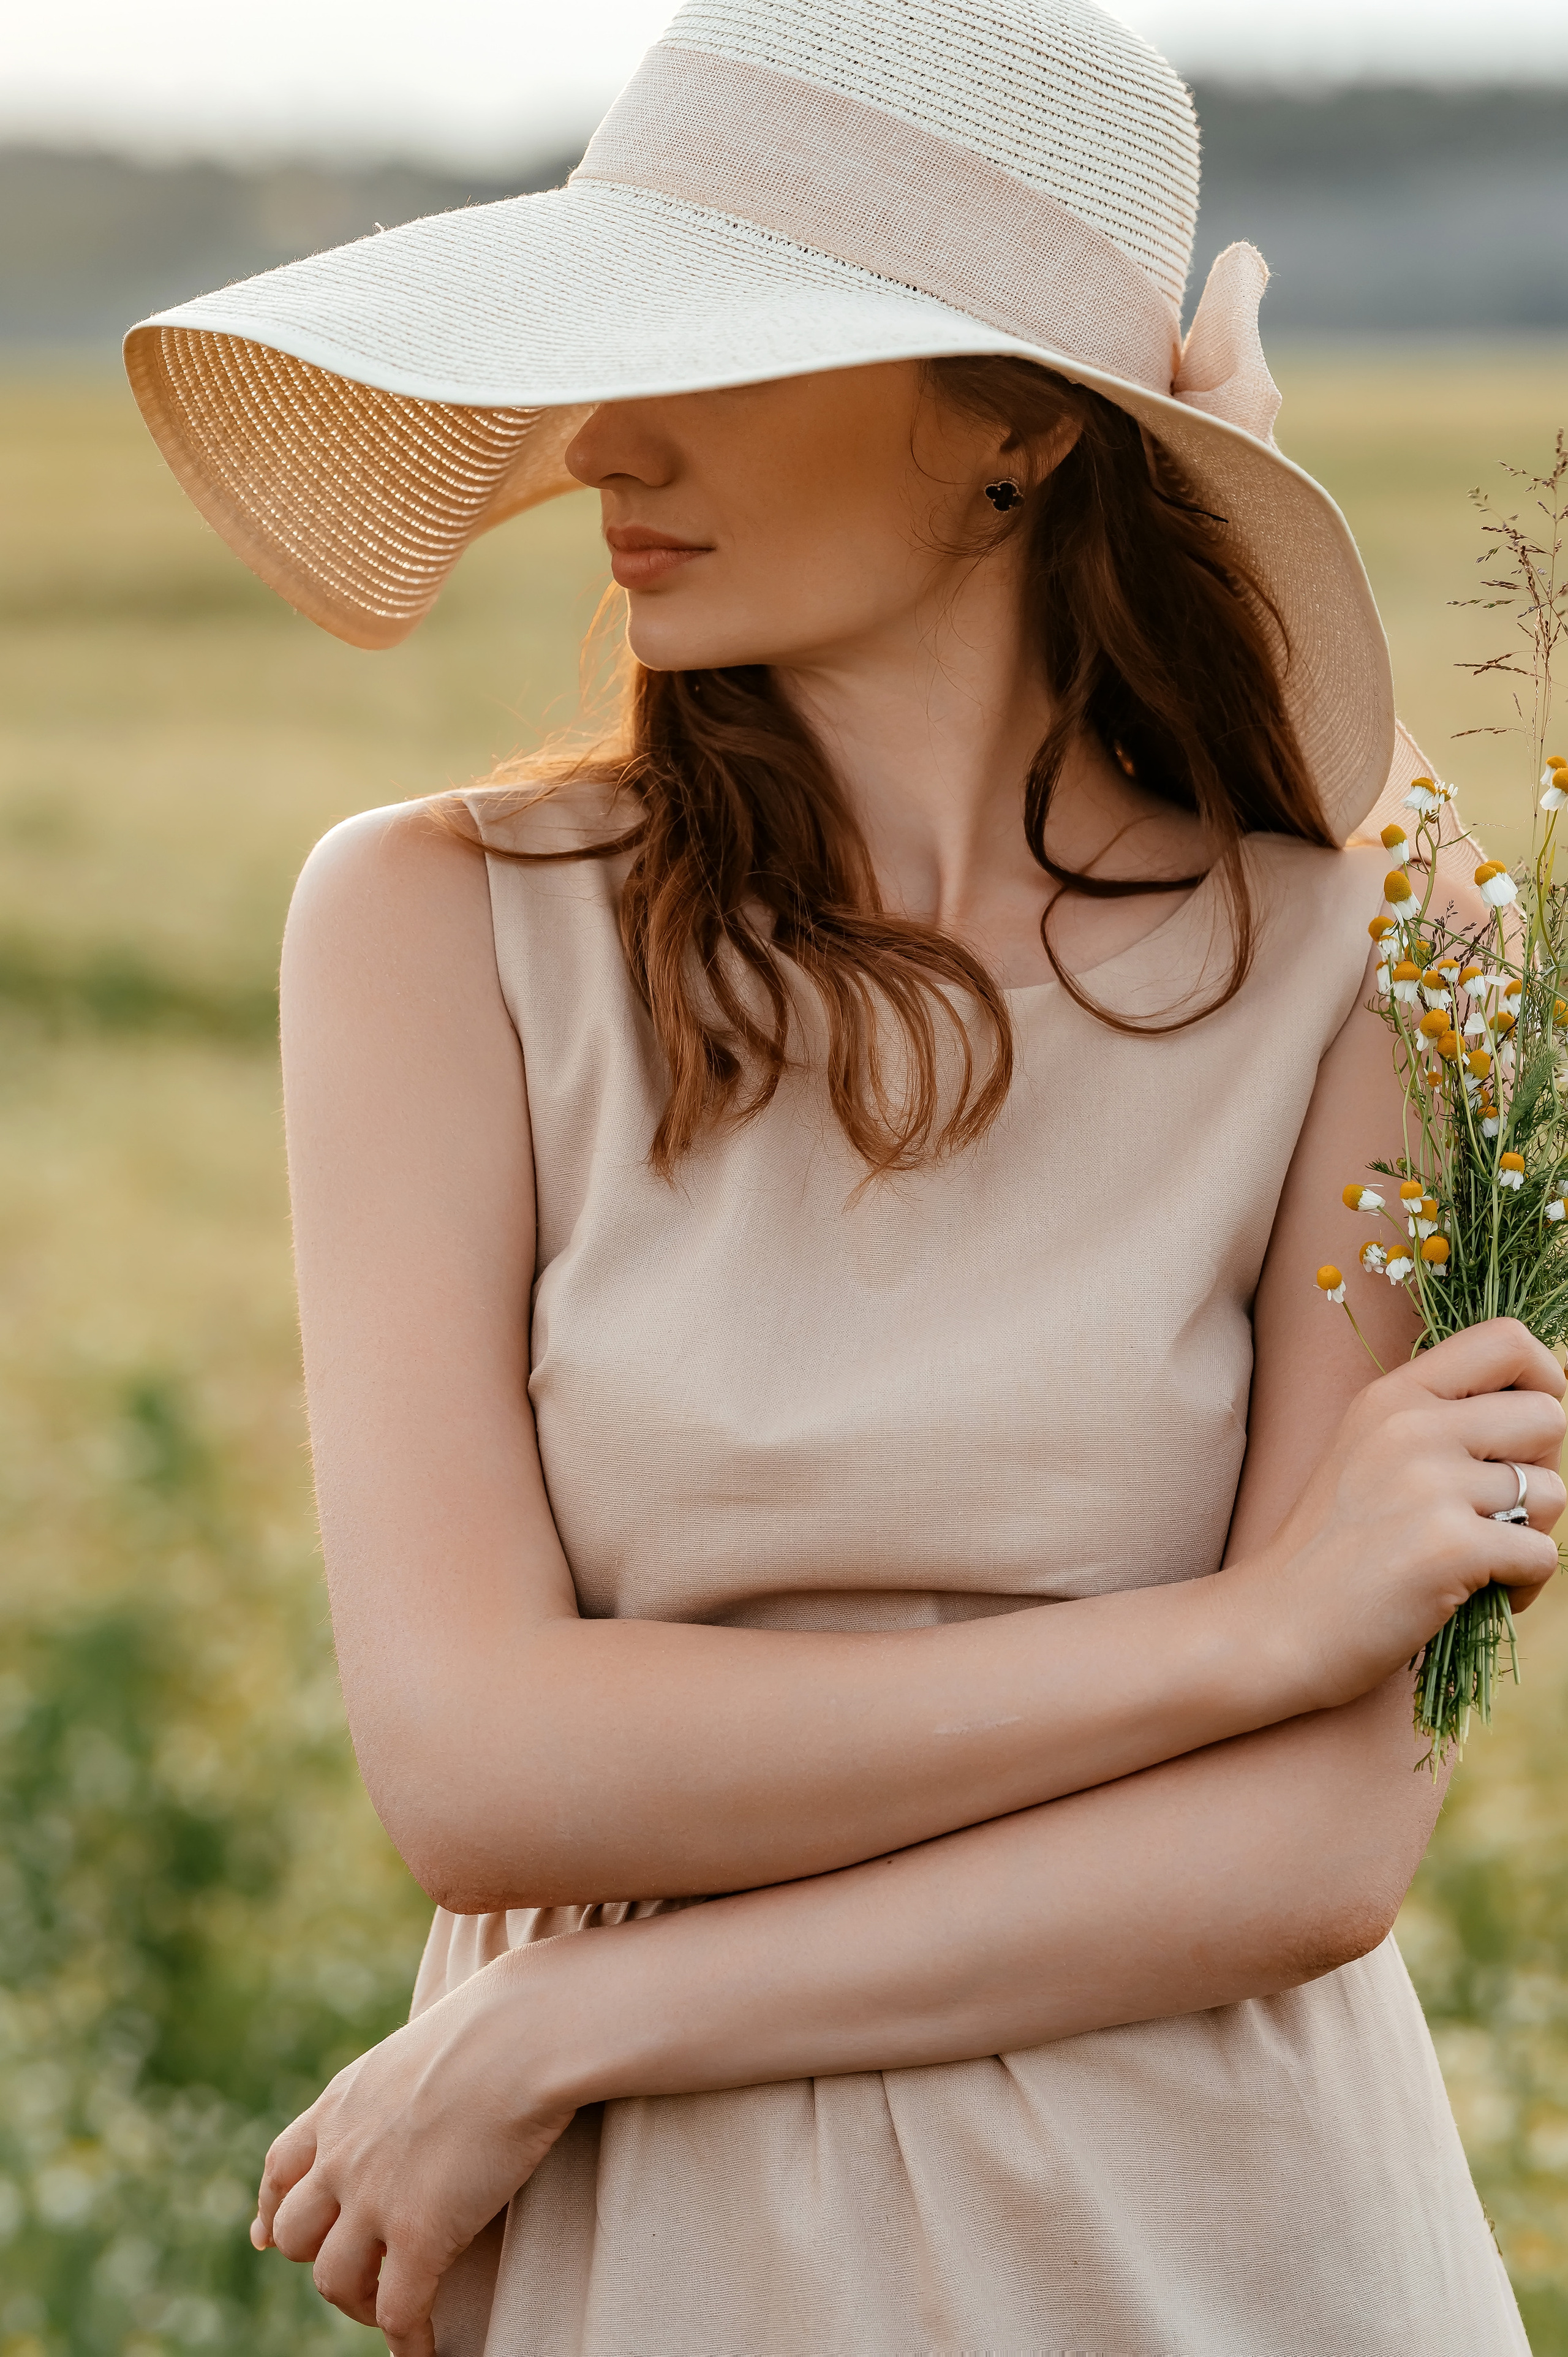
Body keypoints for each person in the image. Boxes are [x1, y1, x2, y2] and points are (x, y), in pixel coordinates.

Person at [124, 2, 1563, 2351]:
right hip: (669, 2267)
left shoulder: (1390, 947)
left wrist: (570, 2024)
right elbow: (480, 1768)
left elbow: (1316, 1848)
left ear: (1021, 426)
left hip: (1217, 2246)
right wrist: (1235, 1639)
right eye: (605, 349)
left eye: (731, 345)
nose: (604, 439)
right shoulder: (428, 933)